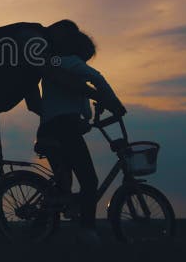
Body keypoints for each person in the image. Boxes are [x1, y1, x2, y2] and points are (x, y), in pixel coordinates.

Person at [0, 20, 126, 230]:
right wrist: (99, 96)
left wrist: (58, 118)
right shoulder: (33, 38)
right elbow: (53, 73)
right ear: (60, 32)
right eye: (67, 49)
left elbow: (35, 103)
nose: (63, 56)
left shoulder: (34, 62)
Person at [34, 30, 124, 244]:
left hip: (48, 129)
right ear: (80, 52)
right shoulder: (69, 61)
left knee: (63, 183)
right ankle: (87, 231)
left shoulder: (54, 66)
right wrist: (116, 104)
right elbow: (96, 78)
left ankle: (39, 229)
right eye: (86, 58)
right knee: (89, 181)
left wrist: (88, 114)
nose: (84, 63)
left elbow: (81, 103)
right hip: (64, 129)